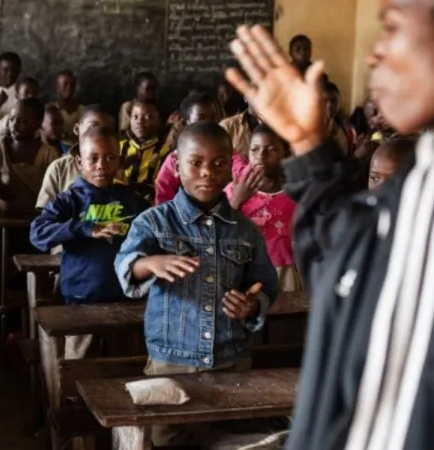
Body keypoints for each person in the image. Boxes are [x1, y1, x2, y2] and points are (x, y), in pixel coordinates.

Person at [224, 16, 434, 449]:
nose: (375, 52)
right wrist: (308, 145)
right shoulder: (421, 175)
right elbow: (350, 257)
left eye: (394, 27)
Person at [115, 122, 278, 446]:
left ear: (231, 168)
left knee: (227, 440)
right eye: (196, 162)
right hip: (170, 364)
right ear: (177, 165)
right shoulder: (154, 222)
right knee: (165, 442)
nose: (208, 172)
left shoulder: (244, 230)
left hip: (231, 362)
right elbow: (125, 265)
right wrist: (150, 263)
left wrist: (251, 303)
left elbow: (265, 283)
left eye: (219, 163)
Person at [30, 125, 148, 359]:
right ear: (79, 163)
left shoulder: (131, 201)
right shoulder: (69, 200)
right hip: (82, 302)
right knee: (78, 366)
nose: (101, 166)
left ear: (120, 161)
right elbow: (37, 233)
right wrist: (84, 228)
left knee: (124, 369)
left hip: (124, 302)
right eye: (93, 158)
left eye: (110, 158)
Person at [225, 125, 300, 291]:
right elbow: (218, 229)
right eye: (254, 150)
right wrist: (236, 202)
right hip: (245, 270)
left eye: (271, 150)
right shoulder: (234, 190)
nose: (261, 156)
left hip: (284, 270)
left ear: (285, 153)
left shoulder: (295, 192)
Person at [35, 104, 115, 209]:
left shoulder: (115, 167)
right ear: (77, 129)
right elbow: (46, 215)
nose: (98, 133)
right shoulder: (59, 168)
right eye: (92, 127)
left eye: (105, 130)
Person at [0, 98, 60, 215]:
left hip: (35, 220)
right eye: (12, 119)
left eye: (23, 121)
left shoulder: (48, 154)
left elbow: (54, 192)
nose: (14, 125)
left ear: (38, 124)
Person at [154, 92, 223, 204]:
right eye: (201, 118)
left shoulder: (226, 153)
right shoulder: (175, 159)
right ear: (185, 122)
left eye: (213, 118)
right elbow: (163, 196)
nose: (209, 124)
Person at [118, 100, 171, 200]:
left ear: (159, 121)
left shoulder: (164, 151)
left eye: (148, 117)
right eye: (135, 117)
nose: (140, 121)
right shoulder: (120, 147)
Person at [48, 70, 83, 142]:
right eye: (65, 84)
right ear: (57, 88)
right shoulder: (49, 112)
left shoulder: (83, 111)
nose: (69, 87)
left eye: (72, 84)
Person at [323, 81, 357, 154]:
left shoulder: (347, 128)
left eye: (333, 100)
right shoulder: (311, 129)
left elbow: (349, 152)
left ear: (339, 102)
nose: (329, 105)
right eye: (324, 101)